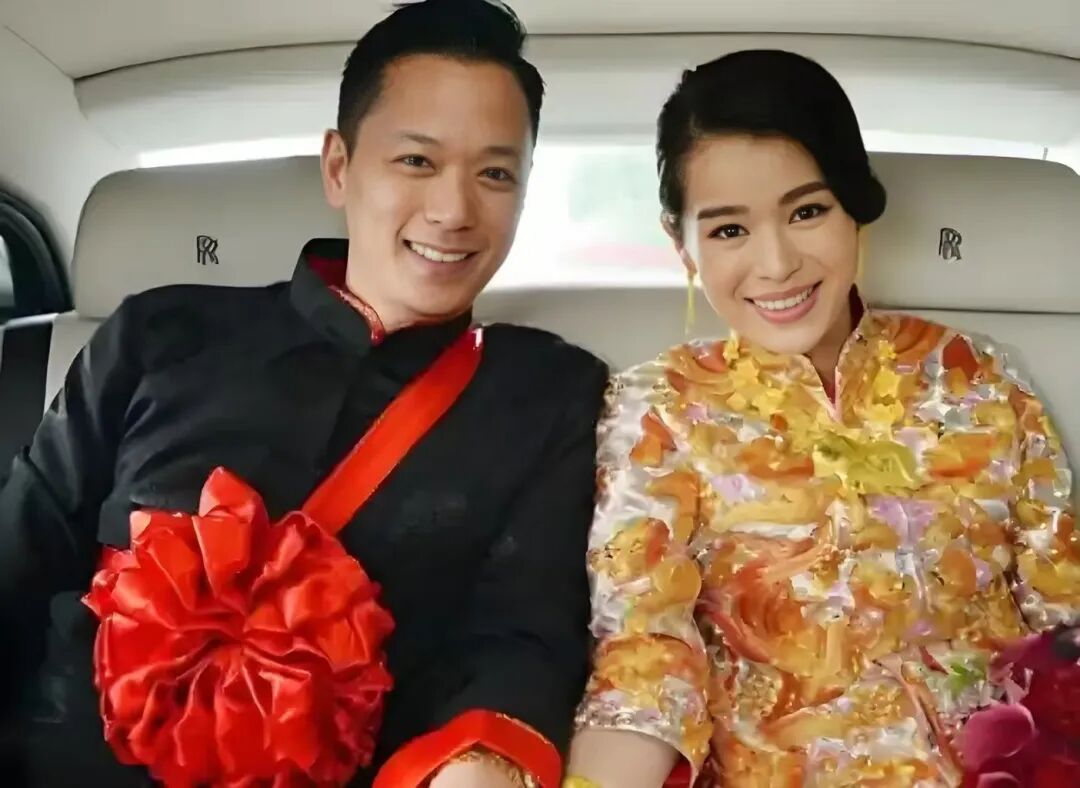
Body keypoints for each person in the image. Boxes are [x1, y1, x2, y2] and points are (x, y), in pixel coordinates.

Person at [0, 1, 608, 786]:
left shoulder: (547, 394)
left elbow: (518, 634)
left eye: (495, 173)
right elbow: (24, 549)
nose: (454, 212)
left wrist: (481, 760)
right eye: (416, 161)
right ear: (338, 167)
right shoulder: (159, 333)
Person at [563, 50, 1079, 787]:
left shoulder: (976, 374)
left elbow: (1063, 617)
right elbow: (644, 662)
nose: (776, 264)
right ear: (682, 244)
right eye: (729, 230)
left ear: (854, 206)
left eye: (807, 211)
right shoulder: (658, 409)